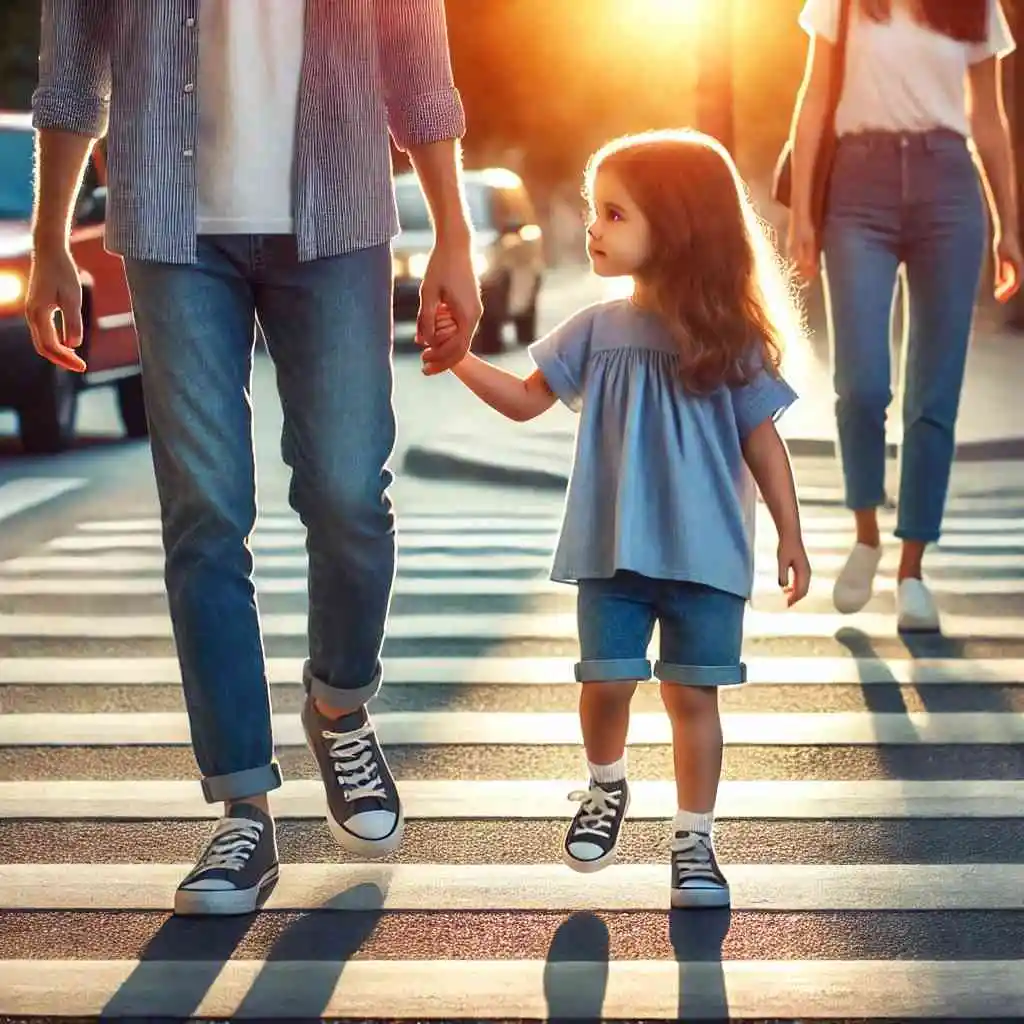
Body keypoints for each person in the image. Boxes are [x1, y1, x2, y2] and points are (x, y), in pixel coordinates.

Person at [25, 1, 482, 916]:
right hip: (170, 227)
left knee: (350, 492)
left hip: (339, 215)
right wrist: (49, 240)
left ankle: (340, 704)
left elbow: (417, 63)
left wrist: (453, 233)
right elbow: (74, 64)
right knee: (204, 515)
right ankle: (242, 806)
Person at [425, 129, 812, 908]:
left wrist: (791, 536)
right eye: (592, 211)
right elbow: (529, 401)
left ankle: (694, 841)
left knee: (690, 698)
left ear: (675, 225)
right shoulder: (596, 329)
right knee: (605, 684)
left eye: (613, 213)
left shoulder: (729, 339)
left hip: (706, 558)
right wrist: (460, 360)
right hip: (611, 554)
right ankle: (605, 786)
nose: (592, 229)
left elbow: (765, 446)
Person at [786, 0, 1022, 631]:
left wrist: (1009, 228)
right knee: (861, 386)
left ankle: (912, 569)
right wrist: (803, 214)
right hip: (857, 191)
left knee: (933, 396)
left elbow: (990, 120)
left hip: (949, 189)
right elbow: (813, 101)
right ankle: (866, 530)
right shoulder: (843, 5)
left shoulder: (977, 7)